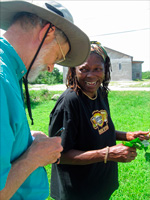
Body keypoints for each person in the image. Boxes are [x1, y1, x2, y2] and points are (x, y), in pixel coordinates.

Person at [0, 1, 90, 199]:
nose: (51, 67)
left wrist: (25, 139)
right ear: (48, 32)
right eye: (57, 56)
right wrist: (34, 157)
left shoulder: (9, 72)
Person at [49, 41, 150, 200]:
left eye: (97, 69)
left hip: (100, 181)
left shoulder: (100, 93)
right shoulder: (69, 102)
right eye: (84, 69)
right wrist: (107, 153)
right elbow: (58, 155)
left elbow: (99, 128)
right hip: (79, 189)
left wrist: (127, 135)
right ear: (74, 70)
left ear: (105, 70)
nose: (91, 75)